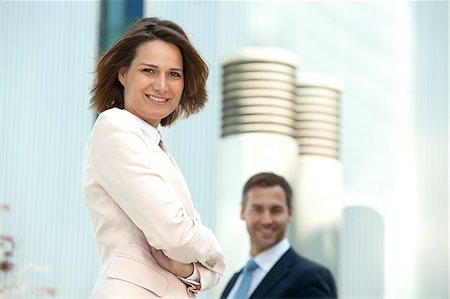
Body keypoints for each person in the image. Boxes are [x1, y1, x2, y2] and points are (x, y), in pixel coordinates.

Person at [83, 17, 225, 298]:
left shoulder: (155, 145)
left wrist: (188, 269)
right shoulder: (115, 127)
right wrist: (215, 253)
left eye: (174, 74)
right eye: (149, 70)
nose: (162, 85)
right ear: (123, 74)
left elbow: (195, 263)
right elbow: (174, 233)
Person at [221, 172, 337, 299]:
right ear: (242, 211)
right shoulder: (235, 281)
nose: (267, 220)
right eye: (257, 209)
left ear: (290, 213)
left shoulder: (311, 277)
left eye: (276, 210)